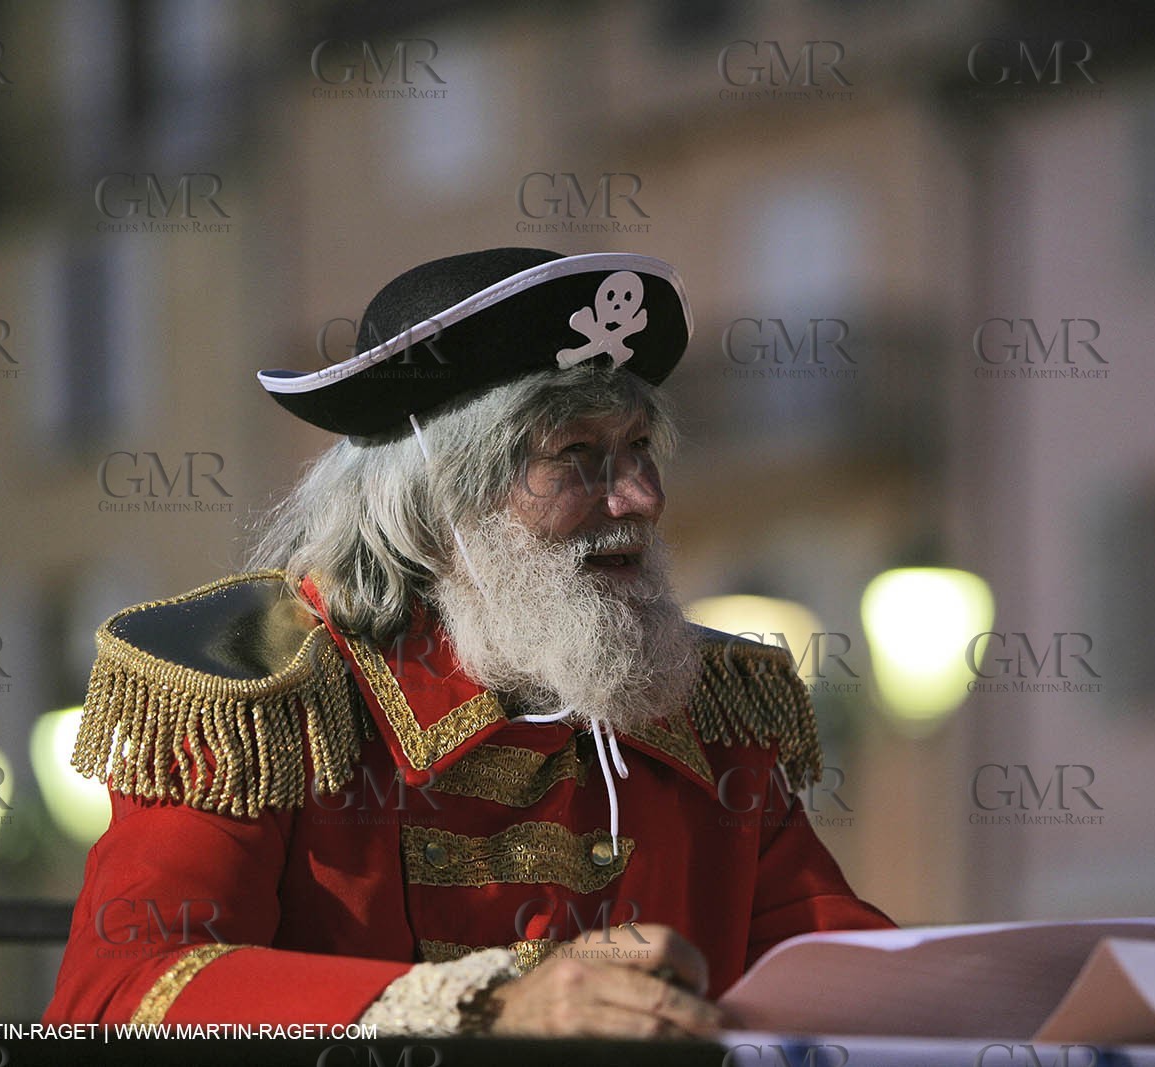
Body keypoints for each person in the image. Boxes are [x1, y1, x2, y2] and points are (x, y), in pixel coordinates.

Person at [43, 248, 894, 1036]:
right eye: (578, 455)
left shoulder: (707, 704)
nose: (639, 496)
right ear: (440, 498)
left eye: (639, 448)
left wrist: (1012, 1014)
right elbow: (120, 1000)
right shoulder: (258, 692)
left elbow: (836, 974)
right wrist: (490, 1008)